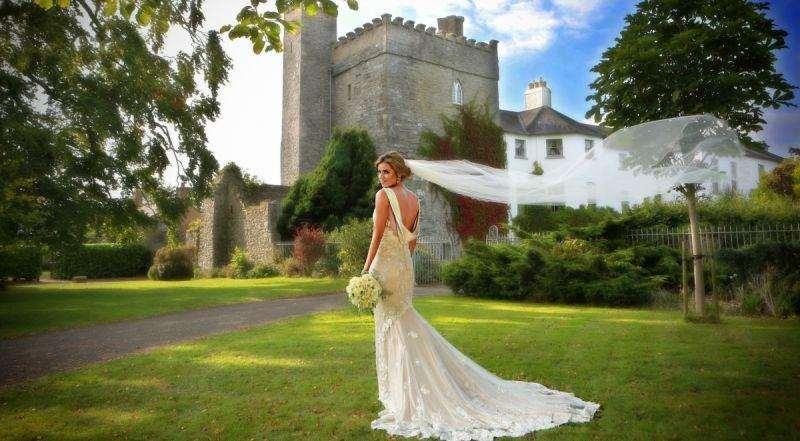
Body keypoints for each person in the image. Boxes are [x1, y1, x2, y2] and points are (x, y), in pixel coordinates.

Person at [362, 151, 600, 440]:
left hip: (385, 267)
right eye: (379, 173)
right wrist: (402, 262)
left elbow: (376, 235)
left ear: (399, 173)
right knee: (403, 324)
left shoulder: (383, 197)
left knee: (395, 327)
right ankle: (409, 389)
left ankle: (407, 395)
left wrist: (365, 270)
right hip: (403, 266)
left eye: (386, 172)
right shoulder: (414, 199)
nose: (381, 177)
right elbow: (412, 241)